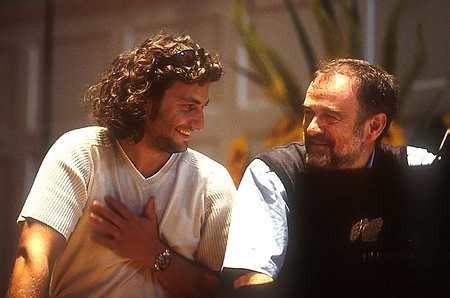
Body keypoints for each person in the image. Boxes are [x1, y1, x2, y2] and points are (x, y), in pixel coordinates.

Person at [8, 32, 236, 298]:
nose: (199, 124)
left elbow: (225, 292)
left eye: (202, 108)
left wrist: (156, 254)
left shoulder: (212, 184)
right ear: (146, 100)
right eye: (188, 107)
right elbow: (33, 255)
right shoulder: (81, 154)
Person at [222, 59, 440, 297]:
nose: (312, 128)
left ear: (374, 126)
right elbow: (251, 280)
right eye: (308, 113)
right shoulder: (275, 173)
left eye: (330, 117)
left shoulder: (414, 168)